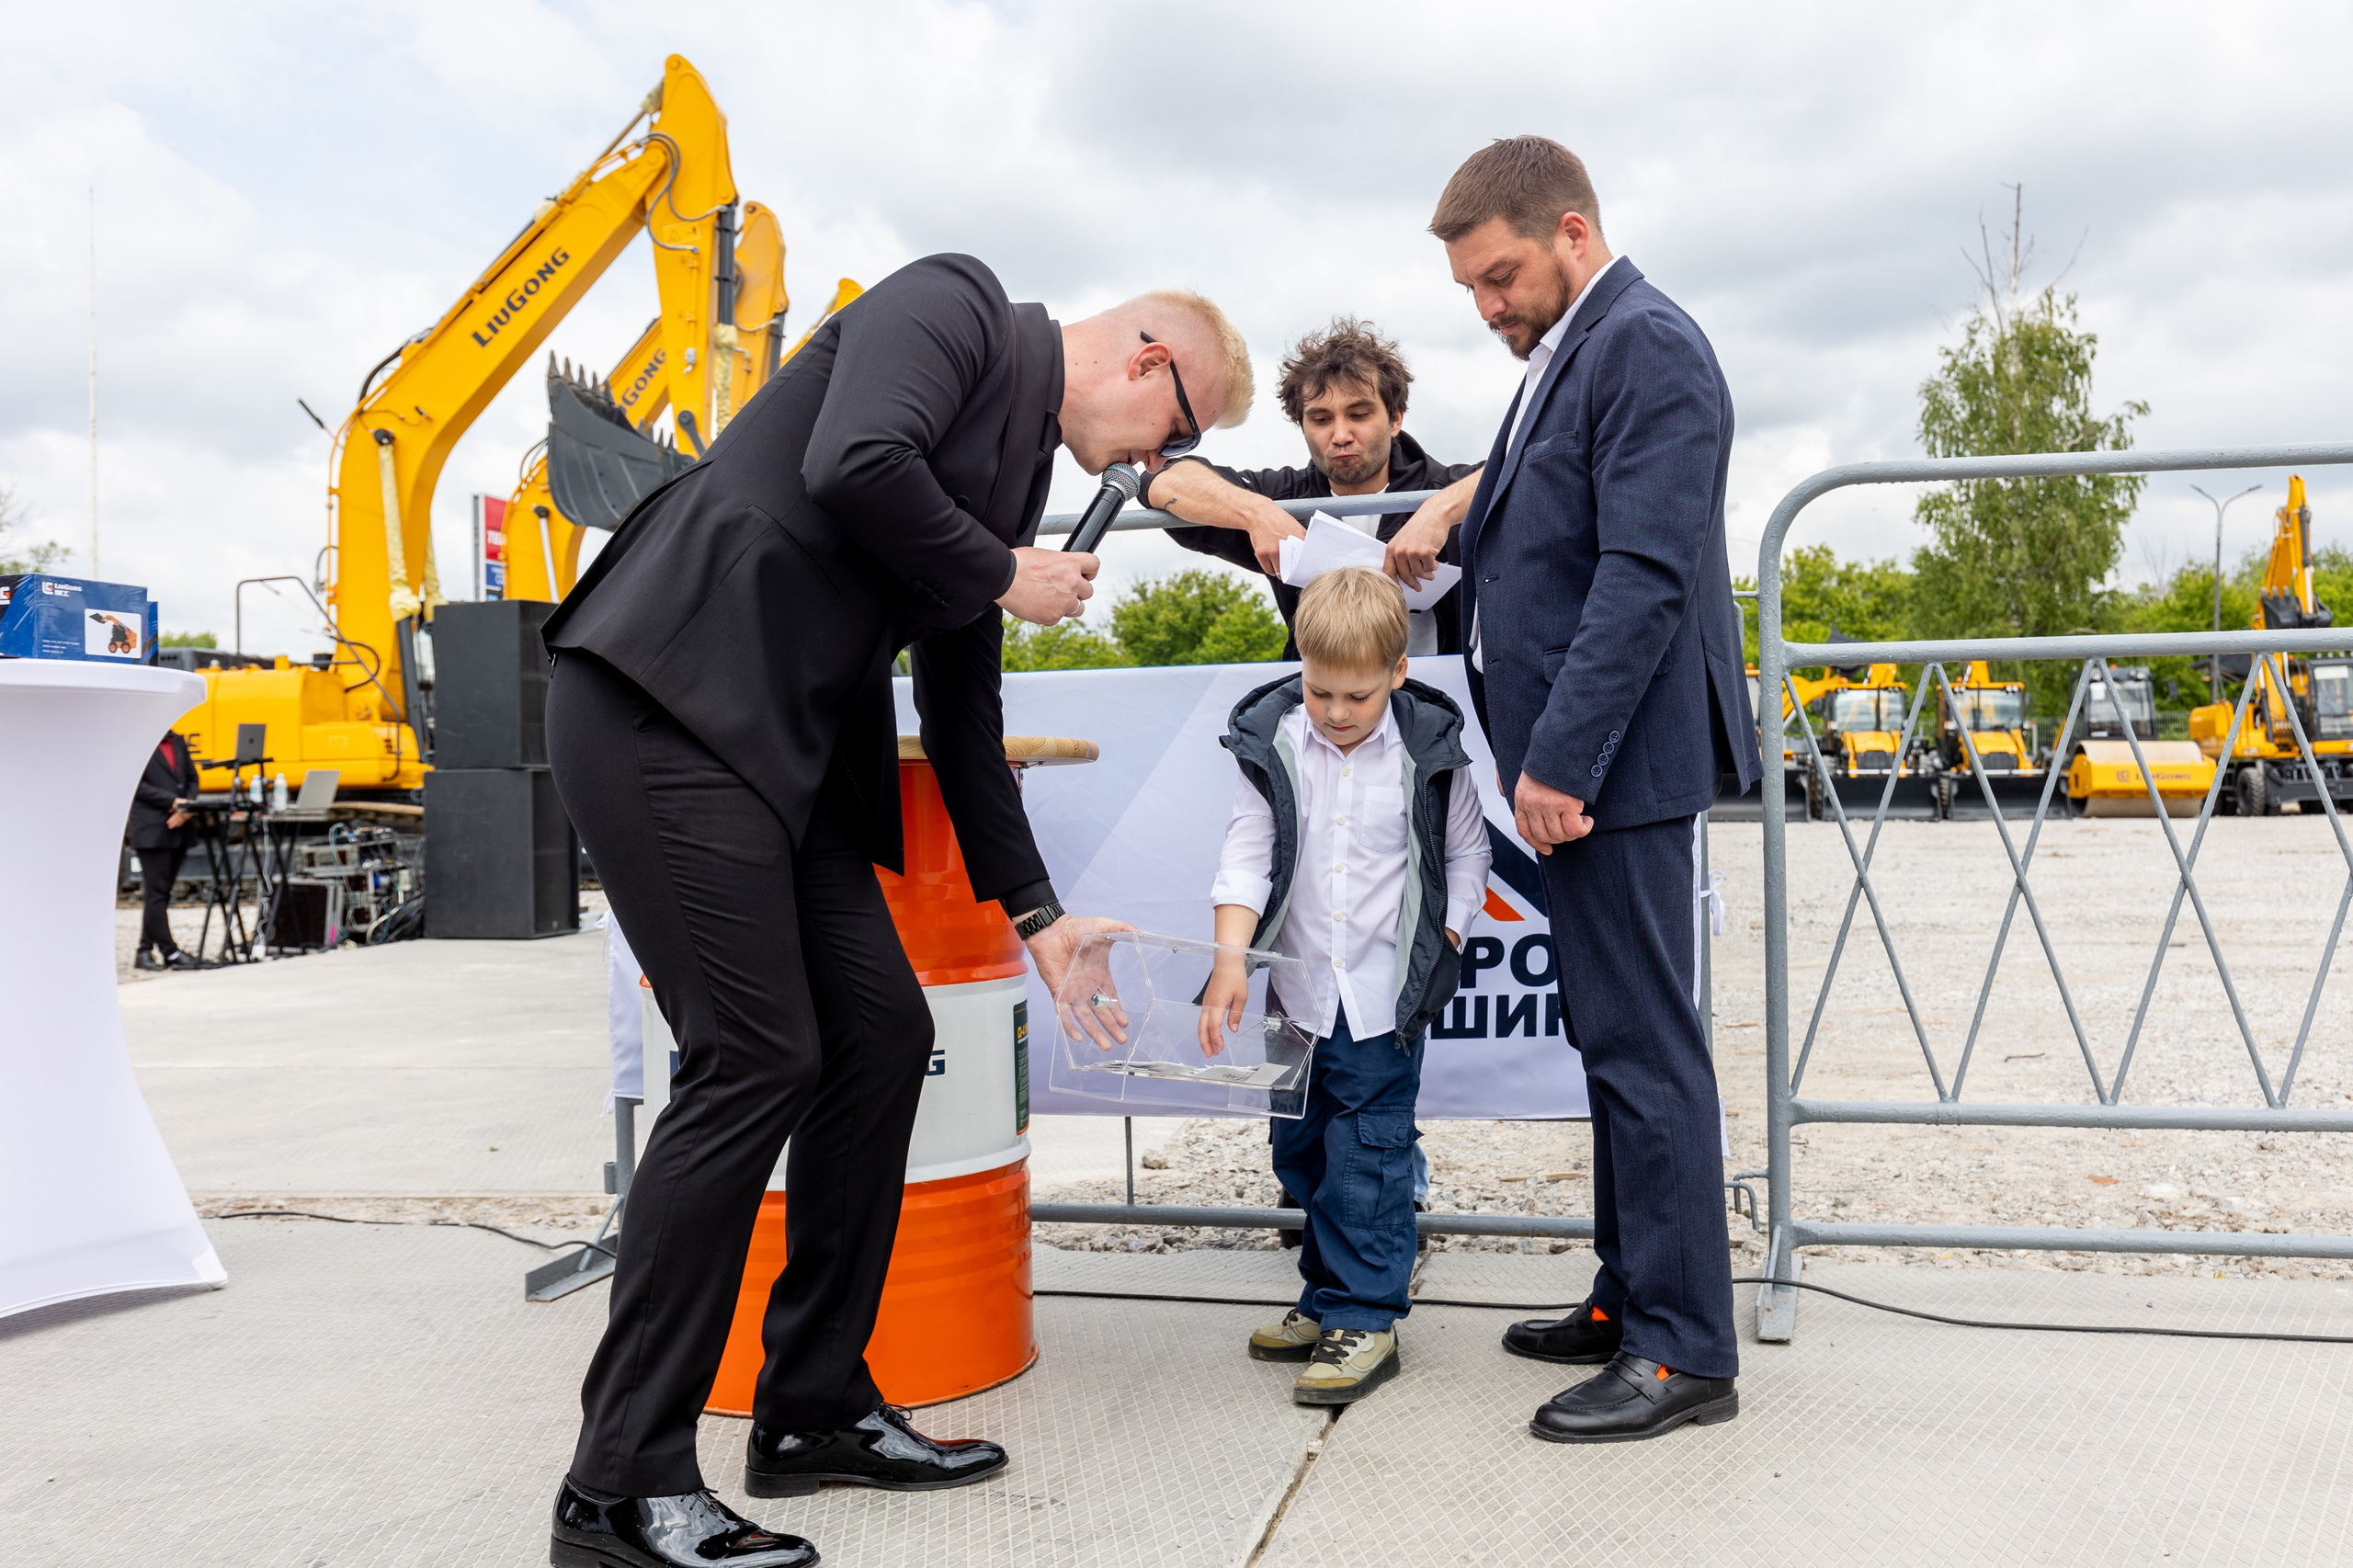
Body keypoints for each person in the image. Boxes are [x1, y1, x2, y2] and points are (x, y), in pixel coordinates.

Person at [538, 254, 1253, 1568]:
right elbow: (854, 462)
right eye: (1186, 430)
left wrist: (1039, 917)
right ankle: (617, 1483)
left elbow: (965, 718)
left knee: (875, 1032)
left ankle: (810, 1405)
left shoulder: (1009, 483)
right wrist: (996, 570)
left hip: (780, 758)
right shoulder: (958, 307)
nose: (1164, 461)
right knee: (755, 1056)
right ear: (1152, 361)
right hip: (665, 697)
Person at [1424, 137, 1759, 1442]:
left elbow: (1643, 575)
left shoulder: (1648, 345)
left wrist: (1558, 760)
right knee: (1611, 1036)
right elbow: (1546, 519)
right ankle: (1634, 1293)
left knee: (1644, 1046)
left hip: (1607, 766)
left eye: (1501, 276)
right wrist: (1451, 517)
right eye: (1471, 290)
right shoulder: (1577, 350)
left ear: (1571, 230)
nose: (1490, 306)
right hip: (1580, 763)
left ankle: (1685, 1350)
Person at [1199, 567, 1490, 1405]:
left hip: (1379, 996)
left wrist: (1446, 931)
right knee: (1300, 1149)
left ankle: (1365, 1314)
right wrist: (1230, 961)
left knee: (1368, 1156)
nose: (1335, 711)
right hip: (1294, 995)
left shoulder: (1429, 751)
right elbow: (1246, 855)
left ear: (1399, 673)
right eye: (1319, 690)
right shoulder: (1280, 745)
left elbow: (1467, 853)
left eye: (1356, 696)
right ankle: (1325, 1297)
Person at [1148, 318, 1484, 656]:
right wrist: (1256, 513)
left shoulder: (1445, 489)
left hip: (1442, 697)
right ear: (1303, 425)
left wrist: (1439, 513)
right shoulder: (1283, 497)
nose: (1340, 436)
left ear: (1395, 418)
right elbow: (1161, 478)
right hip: (1316, 701)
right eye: (1321, 419)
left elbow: (1519, 466)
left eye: (1359, 414)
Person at [127, 729, 201, 971]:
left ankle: (144, 951)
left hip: (178, 827)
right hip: (152, 829)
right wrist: (172, 802)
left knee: (161, 895)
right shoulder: (137, 741)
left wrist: (186, 808)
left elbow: (191, 778)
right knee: (156, 894)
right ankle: (170, 952)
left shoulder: (177, 741)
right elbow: (134, 783)